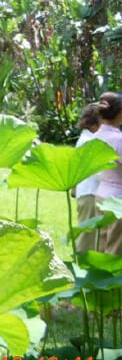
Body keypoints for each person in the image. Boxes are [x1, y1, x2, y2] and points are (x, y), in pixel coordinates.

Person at [94, 92, 122, 255]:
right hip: (118, 199)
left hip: (100, 193)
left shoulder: (96, 136)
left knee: (101, 246)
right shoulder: (118, 140)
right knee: (115, 250)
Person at [74, 104, 101, 252]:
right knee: (87, 237)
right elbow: (97, 172)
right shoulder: (89, 141)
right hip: (90, 193)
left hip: (88, 192)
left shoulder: (86, 138)